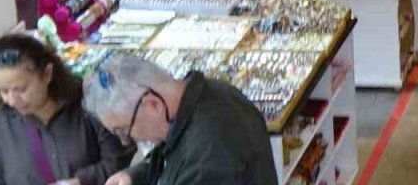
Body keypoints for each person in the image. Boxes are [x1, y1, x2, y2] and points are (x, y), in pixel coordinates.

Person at [83, 54, 277, 184]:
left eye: (124, 131)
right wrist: (137, 175)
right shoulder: (208, 94)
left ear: (153, 104)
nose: (125, 141)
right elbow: (174, 155)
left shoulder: (205, 161)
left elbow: (192, 163)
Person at [0, 34, 132, 185]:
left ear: (47, 74)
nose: (12, 100)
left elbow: (119, 160)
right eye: (4, 91)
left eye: (20, 89)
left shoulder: (89, 106)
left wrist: (81, 181)